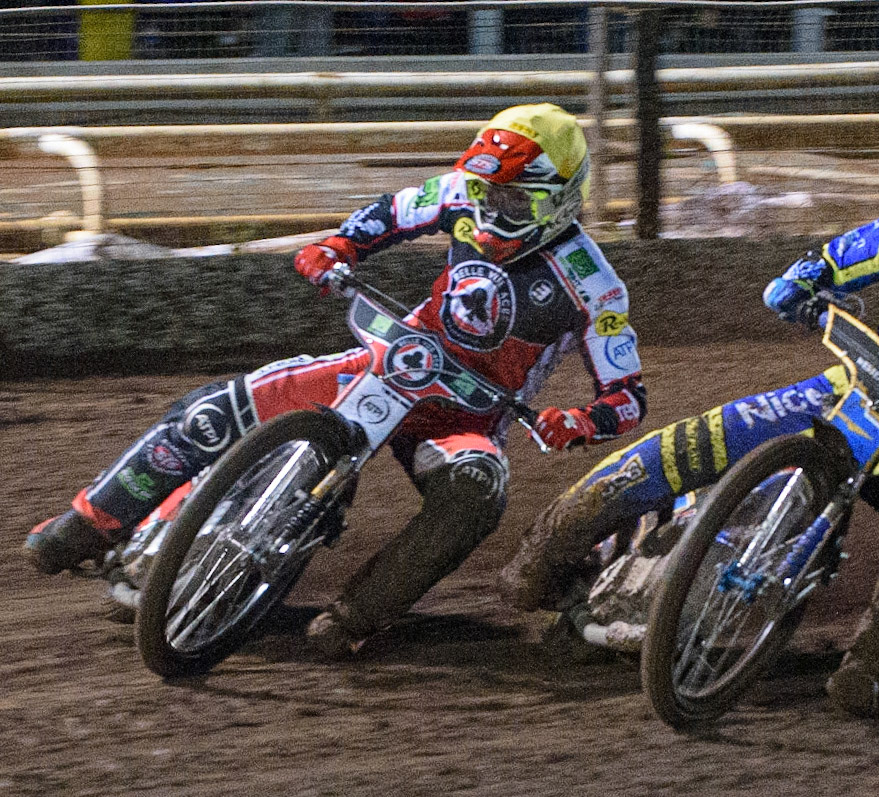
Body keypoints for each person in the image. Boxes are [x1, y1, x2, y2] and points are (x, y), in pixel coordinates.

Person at [499, 129, 879, 716]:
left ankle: (870, 668)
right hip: (841, 394)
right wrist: (796, 284)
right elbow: (826, 264)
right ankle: (542, 557)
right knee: (692, 441)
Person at [25, 103, 647, 659]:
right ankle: (86, 524)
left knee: (477, 490)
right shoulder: (462, 192)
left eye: (513, 201)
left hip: (467, 417)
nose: (491, 209)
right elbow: (390, 213)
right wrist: (341, 245)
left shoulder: (592, 284)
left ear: (562, 196)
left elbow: (628, 395)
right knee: (213, 412)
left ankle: (356, 615)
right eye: (487, 193)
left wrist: (583, 421)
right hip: (396, 360)